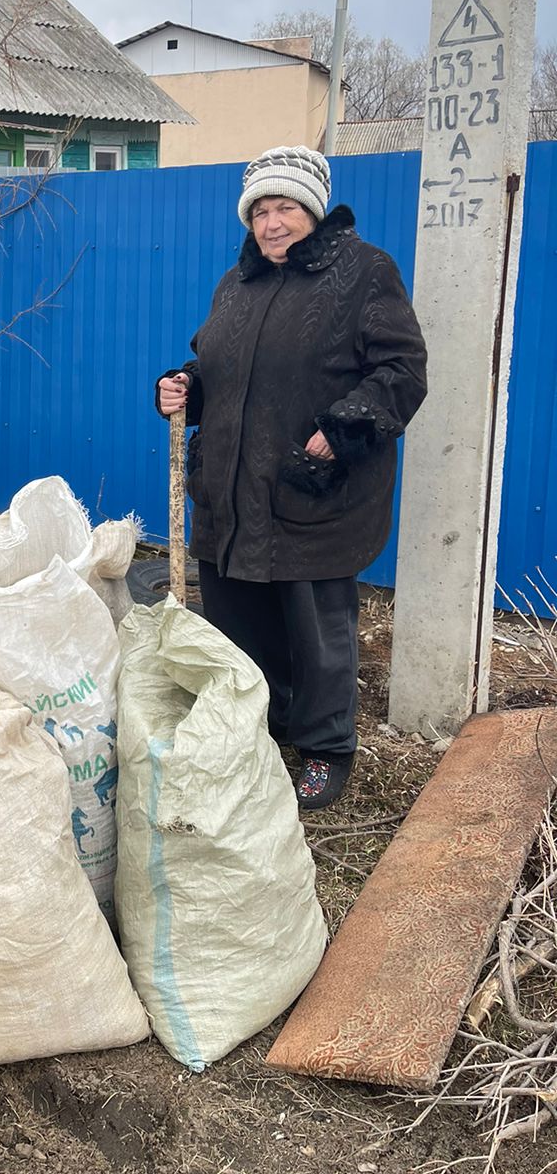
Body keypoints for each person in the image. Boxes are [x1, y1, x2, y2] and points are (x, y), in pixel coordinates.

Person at [157, 145, 427, 811]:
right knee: (239, 625)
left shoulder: (364, 273)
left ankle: (326, 747)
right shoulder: (237, 283)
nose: (271, 224)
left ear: (313, 208)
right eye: (260, 212)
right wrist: (183, 385)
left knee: (315, 631)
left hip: (312, 490)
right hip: (229, 493)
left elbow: (401, 370)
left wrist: (339, 433)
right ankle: (258, 732)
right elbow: (213, 363)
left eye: (285, 208)